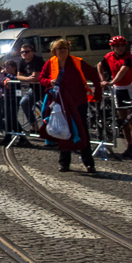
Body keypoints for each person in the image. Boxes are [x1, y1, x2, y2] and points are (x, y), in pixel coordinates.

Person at [40, 39, 101, 173]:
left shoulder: (77, 62)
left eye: (64, 48)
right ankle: (64, 163)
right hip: (60, 103)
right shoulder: (50, 63)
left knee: (82, 131)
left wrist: (98, 93)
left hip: (78, 102)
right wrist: (50, 81)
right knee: (63, 131)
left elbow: (94, 75)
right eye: (59, 49)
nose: (62, 51)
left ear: (68, 50)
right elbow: (42, 78)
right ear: (54, 51)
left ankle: (89, 163)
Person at [100, 36, 132, 158]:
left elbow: (123, 70)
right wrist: (103, 80)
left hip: (130, 88)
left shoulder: (129, 57)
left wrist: (112, 82)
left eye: (122, 46)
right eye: (117, 46)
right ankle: (129, 145)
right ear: (113, 47)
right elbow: (99, 66)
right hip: (118, 90)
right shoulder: (108, 56)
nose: (120, 48)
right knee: (123, 119)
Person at [17, 42, 45, 134]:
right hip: (33, 89)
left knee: (46, 110)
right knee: (24, 103)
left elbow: (35, 78)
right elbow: (19, 76)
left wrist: (26, 79)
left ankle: (49, 130)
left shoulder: (38, 60)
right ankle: (34, 126)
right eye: (22, 52)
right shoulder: (22, 61)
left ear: (32, 52)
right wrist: (28, 78)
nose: (24, 54)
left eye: (27, 51)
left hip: (44, 89)